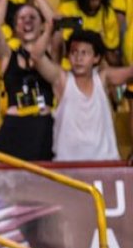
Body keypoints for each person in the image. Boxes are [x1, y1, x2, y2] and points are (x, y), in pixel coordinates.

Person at [30, 29, 132, 161]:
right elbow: (36, 56)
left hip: (105, 163)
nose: (78, 58)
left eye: (85, 53)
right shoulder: (62, 80)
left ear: (96, 58)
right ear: (68, 55)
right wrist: (50, 28)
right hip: (67, 165)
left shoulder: (103, 78)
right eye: (74, 52)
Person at [0, 0, 57, 160]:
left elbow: (54, 23)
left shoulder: (51, 51)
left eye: (32, 17)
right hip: (14, 126)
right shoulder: (7, 55)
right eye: (21, 18)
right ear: (15, 28)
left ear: (42, 25)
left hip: (44, 125)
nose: (27, 21)